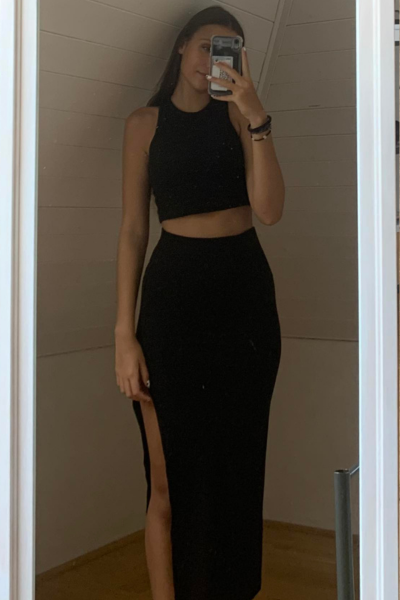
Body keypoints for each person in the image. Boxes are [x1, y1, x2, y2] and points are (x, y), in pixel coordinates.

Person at [114, 6, 285, 600]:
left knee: (237, 470)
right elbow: (133, 231)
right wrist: (123, 334)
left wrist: (257, 116)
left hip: (244, 300)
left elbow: (269, 210)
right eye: (208, 45)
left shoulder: (240, 116)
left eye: (229, 50)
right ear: (183, 46)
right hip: (173, 302)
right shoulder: (143, 124)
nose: (213, 59)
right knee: (169, 478)